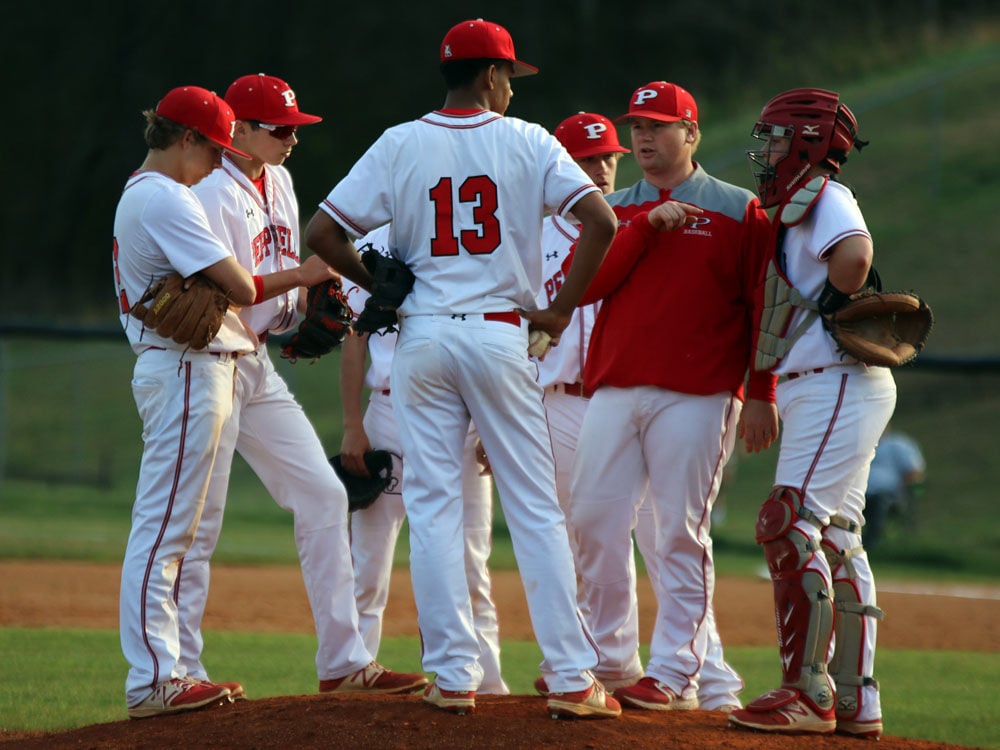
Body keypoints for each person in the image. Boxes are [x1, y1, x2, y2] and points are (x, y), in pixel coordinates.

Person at [304, 18, 621, 719]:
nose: (510, 86)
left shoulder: (399, 141)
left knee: (434, 510)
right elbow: (601, 221)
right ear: (488, 76)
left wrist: (381, 282)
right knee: (534, 509)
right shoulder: (528, 139)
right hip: (498, 333)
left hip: (421, 337)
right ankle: (571, 678)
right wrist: (561, 310)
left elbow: (321, 232)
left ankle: (453, 676)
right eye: (508, 75)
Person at [180, 74, 427, 699]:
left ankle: (345, 663)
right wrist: (307, 276)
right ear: (237, 130)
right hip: (207, 357)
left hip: (255, 362)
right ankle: (180, 671)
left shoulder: (282, 182)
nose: (293, 139)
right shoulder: (207, 192)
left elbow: (290, 278)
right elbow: (219, 287)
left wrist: (299, 316)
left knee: (322, 494)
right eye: (280, 129)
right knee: (198, 523)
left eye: (296, 128)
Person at [565, 81, 779, 714]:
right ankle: (611, 660)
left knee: (679, 533)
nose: (644, 137)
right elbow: (587, 287)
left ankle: (676, 672)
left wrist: (761, 392)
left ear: (692, 134)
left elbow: (763, 307)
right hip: (616, 384)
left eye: (659, 126)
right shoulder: (615, 207)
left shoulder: (739, 208)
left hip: (701, 392)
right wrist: (644, 231)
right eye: (637, 127)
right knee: (593, 521)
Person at [728, 88, 896, 739]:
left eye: (774, 138)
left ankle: (809, 692)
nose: (764, 151)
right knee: (836, 537)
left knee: (789, 522)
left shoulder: (824, 196)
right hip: (826, 383)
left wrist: (834, 295)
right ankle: (855, 699)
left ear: (807, 142)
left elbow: (854, 258)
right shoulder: (798, 206)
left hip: (835, 378)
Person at [113, 85, 258, 718]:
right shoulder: (167, 197)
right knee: (164, 528)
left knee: (176, 527)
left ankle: (171, 671)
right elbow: (244, 285)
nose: (218, 162)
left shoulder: (140, 191)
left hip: (183, 367)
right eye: (214, 147)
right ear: (187, 138)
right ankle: (151, 678)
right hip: (183, 369)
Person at [338, 224, 508, 694]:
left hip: (464, 417)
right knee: (368, 563)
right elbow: (355, 335)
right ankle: (355, 667)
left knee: (471, 561)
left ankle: (486, 683)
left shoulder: (476, 232)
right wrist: (353, 424)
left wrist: (491, 426)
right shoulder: (374, 243)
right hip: (389, 412)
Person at [864, 422, 926, 549]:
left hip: (889, 494)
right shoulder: (863, 446)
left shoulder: (899, 444)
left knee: (880, 501)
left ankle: (871, 544)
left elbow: (915, 472)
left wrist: (902, 488)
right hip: (860, 493)